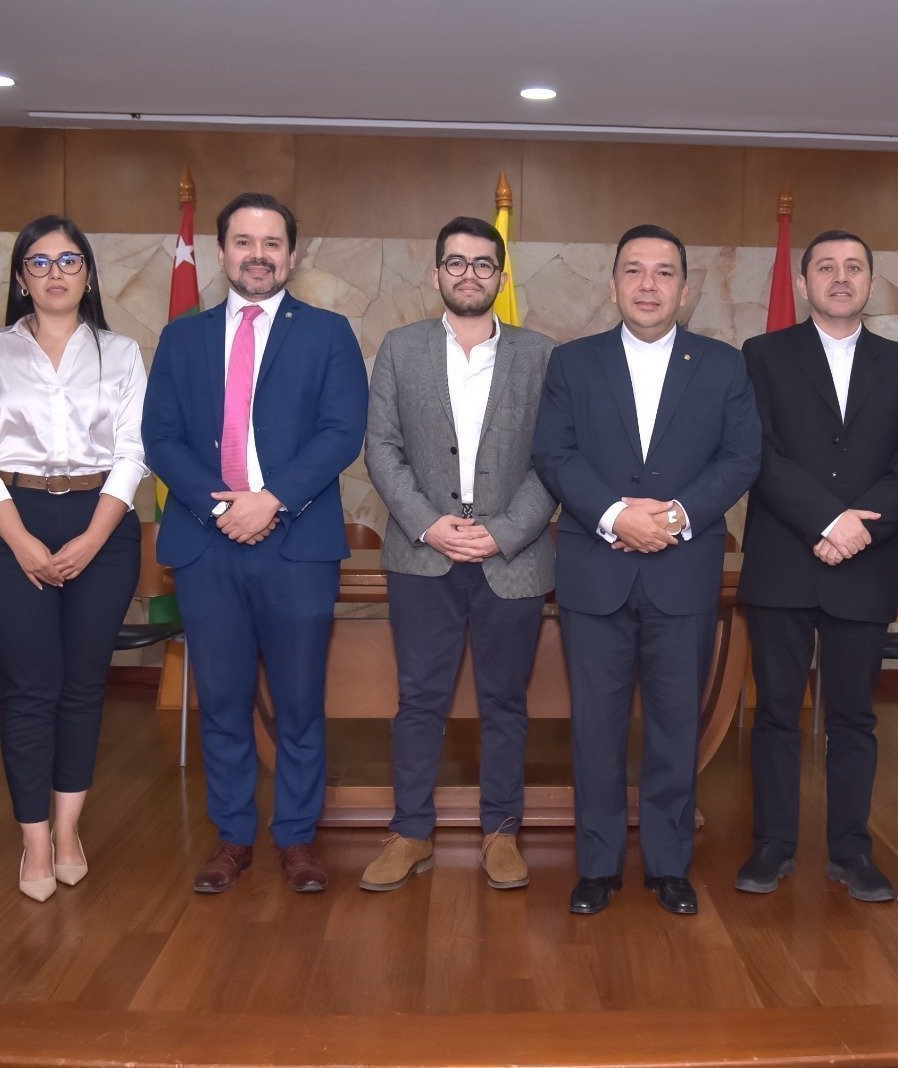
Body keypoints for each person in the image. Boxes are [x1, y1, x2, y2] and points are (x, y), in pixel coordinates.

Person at [143, 192, 368, 895]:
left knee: (300, 703)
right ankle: (234, 836)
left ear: (293, 255)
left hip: (295, 544)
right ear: (221, 252)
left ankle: (297, 839)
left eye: (273, 243)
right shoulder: (182, 338)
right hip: (209, 548)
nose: (259, 254)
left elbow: (342, 430)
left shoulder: (328, 334)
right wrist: (222, 511)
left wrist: (270, 500)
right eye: (244, 241)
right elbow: (162, 438)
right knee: (224, 699)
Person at [533, 225, 760, 916]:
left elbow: (741, 457)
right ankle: (598, 866)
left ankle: (668, 865)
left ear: (684, 288)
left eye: (664, 272)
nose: (649, 284)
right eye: (634, 270)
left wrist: (676, 516)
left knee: (674, 726)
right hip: (594, 571)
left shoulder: (723, 366)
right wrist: (612, 515)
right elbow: (555, 453)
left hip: (683, 571)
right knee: (595, 729)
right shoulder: (572, 364)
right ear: (613, 285)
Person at [0, 215, 147, 903]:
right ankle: (33, 839)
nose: (57, 271)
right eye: (40, 262)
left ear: (88, 275)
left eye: (70, 260)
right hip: (10, 524)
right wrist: (23, 540)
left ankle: (69, 830)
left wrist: (92, 539)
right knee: (30, 687)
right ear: (20, 278)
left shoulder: (120, 353)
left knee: (83, 685)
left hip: (104, 523)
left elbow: (133, 452)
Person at [360, 217, 557, 892]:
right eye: (455, 263)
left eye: (482, 264)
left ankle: (501, 833)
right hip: (424, 556)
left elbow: (555, 459)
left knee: (506, 702)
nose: (468, 274)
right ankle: (410, 833)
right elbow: (380, 448)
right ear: (437, 273)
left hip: (514, 559)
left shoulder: (540, 354)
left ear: (501, 277)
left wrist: (504, 531)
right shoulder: (401, 348)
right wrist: (427, 524)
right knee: (419, 701)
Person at [737, 230, 898, 902]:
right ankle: (774, 844)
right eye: (826, 267)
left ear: (870, 282)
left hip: (863, 565)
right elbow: (756, 454)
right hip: (784, 563)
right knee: (777, 715)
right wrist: (828, 521)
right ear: (803, 283)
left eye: (853, 268)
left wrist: (857, 529)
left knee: (854, 719)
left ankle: (851, 850)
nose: (840, 278)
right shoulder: (762, 356)